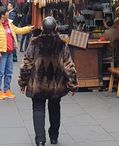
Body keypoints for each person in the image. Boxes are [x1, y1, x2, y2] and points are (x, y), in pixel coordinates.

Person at [19, 17, 77, 146]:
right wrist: (72, 84)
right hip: (56, 84)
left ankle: (40, 140)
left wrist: (23, 82)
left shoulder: (34, 42)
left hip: (38, 83)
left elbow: (26, 64)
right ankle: (54, 137)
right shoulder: (62, 44)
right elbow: (69, 65)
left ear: (43, 28)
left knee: (38, 109)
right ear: (56, 28)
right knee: (55, 108)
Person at [0, 6, 33, 100]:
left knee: (9, 72)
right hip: (1, 53)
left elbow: (17, 30)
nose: (8, 13)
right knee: (0, 73)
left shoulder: (9, 23)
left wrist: (28, 28)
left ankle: (7, 90)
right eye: (6, 12)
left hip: (10, 52)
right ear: (2, 15)